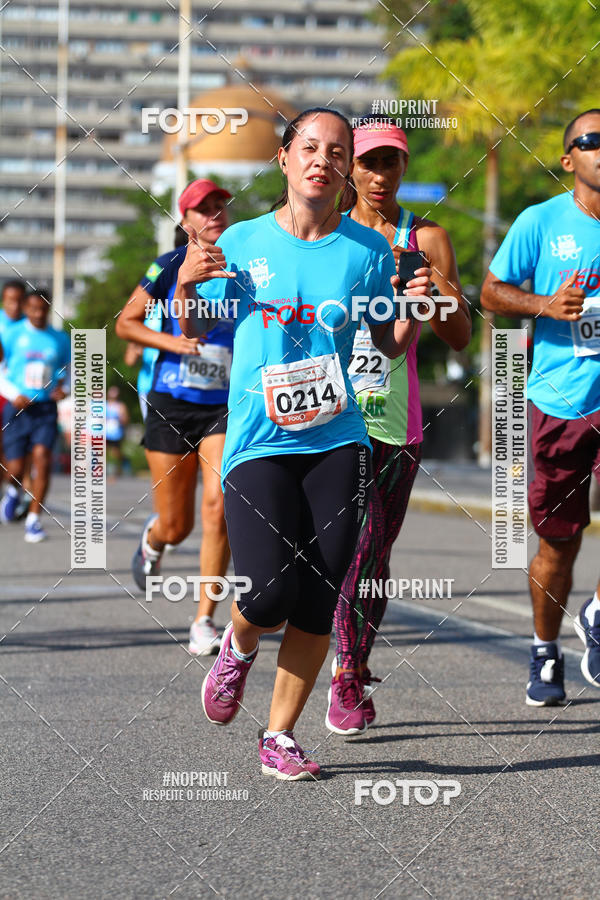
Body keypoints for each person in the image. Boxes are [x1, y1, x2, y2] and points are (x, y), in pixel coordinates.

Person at [176, 107, 431, 780]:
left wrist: (413, 309)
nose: (323, 158)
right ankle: (238, 640)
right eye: (309, 147)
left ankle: (280, 734)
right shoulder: (241, 242)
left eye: (337, 150)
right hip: (258, 440)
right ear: (285, 160)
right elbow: (199, 328)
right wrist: (185, 287)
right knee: (268, 593)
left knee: (321, 595)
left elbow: (384, 347)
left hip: (337, 437)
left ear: (346, 168)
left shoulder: (369, 253)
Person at [325, 122, 471, 735]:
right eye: (370, 163)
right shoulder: (324, 232)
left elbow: (460, 335)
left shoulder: (426, 237)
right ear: (348, 169)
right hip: (324, 413)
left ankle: (349, 673)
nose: (381, 175)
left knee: (373, 554)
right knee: (329, 550)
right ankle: (295, 643)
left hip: (392, 420)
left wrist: (431, 284)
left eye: (392, 163)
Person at [481, 108, 600, 706]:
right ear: (568, 157)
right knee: (559, 541)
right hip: (559, 400)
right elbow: (491, 292)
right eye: (593, 141)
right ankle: (545, 649)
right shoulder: (540, 221)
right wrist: (544, 306)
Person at [116, 179, 233, 656]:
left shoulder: (244, 267)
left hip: (224, 404)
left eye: (220, 206)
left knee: (218, 509)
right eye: (203, 209)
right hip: (171, 403)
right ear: (185, 222)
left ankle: (205, 618)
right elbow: (126, 323)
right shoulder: (167, 267)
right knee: (177, 524)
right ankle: (154, 539)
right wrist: (174, 342)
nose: (214, 214)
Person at [0, 289, 70, 541]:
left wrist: (64, 389)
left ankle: (33, 519)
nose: (39, 314)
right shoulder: (10, 334)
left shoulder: (60, 339)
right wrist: (11, 393)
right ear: (26, 309)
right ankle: (13, 491)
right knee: (16, 467)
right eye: (34, 309)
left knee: (42, 458)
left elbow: (66, 372)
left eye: (43, 309)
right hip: (17, 408)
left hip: (45, 409)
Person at [106, 385, 129, 476]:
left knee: (115, 452)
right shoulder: (104, 404)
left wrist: (121, 418)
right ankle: (107, 471)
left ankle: (124, 464)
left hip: (116, 433)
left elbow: (125, 419)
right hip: (105, 432)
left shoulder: (121, 406)